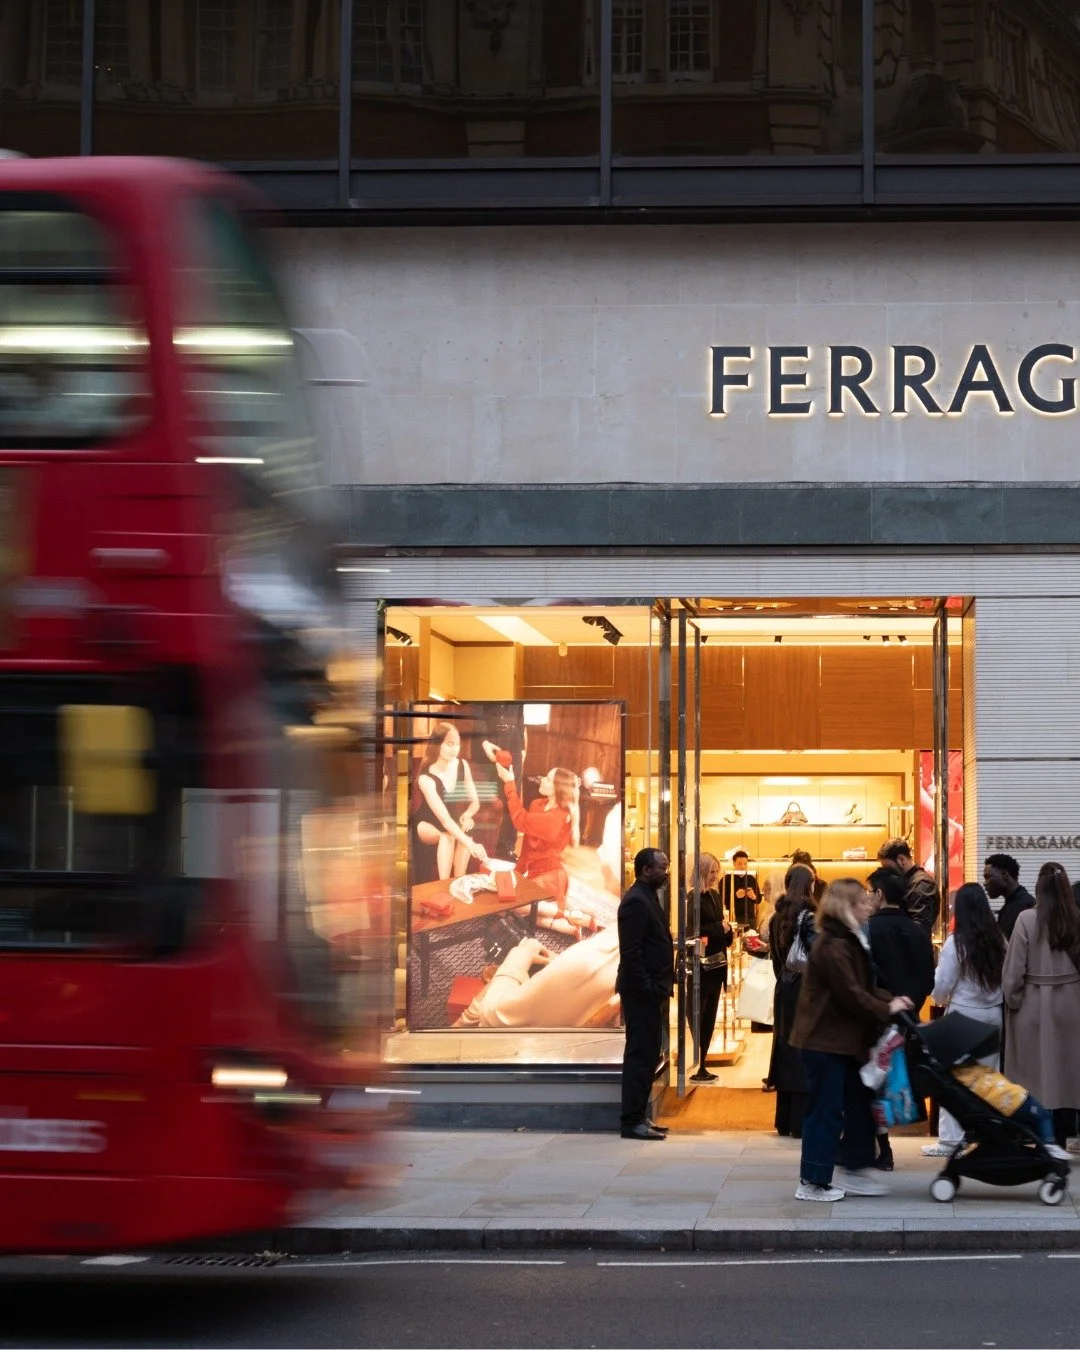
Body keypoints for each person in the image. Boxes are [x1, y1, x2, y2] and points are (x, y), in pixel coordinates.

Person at [789, 878, 913, 1202]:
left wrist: (891, 1000)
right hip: (824, 1041)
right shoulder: (834, 945)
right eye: (861, 901)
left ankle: (853, 1168)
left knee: (856, 1104)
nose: (869, 905)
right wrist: (888, 1006)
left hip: (838, 1040)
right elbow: (853, 994)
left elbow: (863, 987)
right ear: (846, 907)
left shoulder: (848, 940)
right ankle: (813, 1181)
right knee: (825, 1111)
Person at [922, 882, 1006, 1157]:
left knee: (953, 1081)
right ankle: (988, 1136)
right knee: (986, 1081)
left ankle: (950, 1141)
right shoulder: (999, 940)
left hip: (963, 1017)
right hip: (993, 1016)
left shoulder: (956, 943)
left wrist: (938, 999)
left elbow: (942, 986)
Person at [1002, 861, 1080, 1148]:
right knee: (1067, 1070)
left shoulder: (1026, 919)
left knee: (1034, 1072)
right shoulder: (1076, 919)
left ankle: (1039, 1133)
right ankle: (1062, 1134)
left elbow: (1012, 973)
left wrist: (1014, 1000)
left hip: (1033, 1002)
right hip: (1071, 1001)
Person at [866, 866, 935, 1170]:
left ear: (879, 895)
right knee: (892, 1079)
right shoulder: (918, 931)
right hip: (908, 1018)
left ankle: (879, 1148)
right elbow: (928, 979)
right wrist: (910, 1006)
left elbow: (866, 977)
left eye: (870, 892)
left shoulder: (869, 930)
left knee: (869, 1082)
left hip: (875, 1018)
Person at [491, 755, 591, 936]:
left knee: (512, 906)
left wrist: (509, 784)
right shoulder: (537, 804)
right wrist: (518, 873)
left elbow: (520, 820)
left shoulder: (558, 817)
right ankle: (563, 924)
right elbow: (528, 845)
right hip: (534, 872)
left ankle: (566, 914)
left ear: (556, 788)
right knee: (502, 906)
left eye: (547, 779)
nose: (541, 780)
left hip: (552, 876)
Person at [616, 848, 674, 1141]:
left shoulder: (647, 896)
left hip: (651, 990)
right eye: (663, 867)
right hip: (642, 992)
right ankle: (632, 1121)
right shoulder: (636, 901)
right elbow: (631, 952)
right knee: (640, 1054)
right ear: (647, 869)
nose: (667, 871)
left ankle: (639, 1117)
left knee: (649, 1053)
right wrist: (647, 987)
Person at [768, 863, 817, 1137]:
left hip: (784, 988)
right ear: (809, 885)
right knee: (805, 1051)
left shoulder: (778, 916)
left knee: (786, 1047)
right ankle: (800, 1120)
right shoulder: (809, 916)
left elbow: (777, 959)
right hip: (806, 992)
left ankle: (784, 1119)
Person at [408, 721, 488, 883]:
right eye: (450, 744)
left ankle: (459, 881)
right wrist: (472, 845)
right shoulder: (425, 778)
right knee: (448, 837)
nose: (455, 749)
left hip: (451, 820)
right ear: (438, 744)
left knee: (464, 834)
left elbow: (475, 802)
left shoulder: (462, 765)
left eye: (457, 744)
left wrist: (467, 815)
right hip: (425, 823)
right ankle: (443, 885)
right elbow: (444, 820)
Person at [945, 1061, 1071, 1162]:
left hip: (1002, 1104)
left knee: (1032, 1121)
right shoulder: (974, 1067)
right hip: (1015, 1101)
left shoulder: (957, 1078)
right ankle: (1049, 1144)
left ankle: (1041, 1148)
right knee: (1044, 1116)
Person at [688, 852, 734, 1083]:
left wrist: (726, 931)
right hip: (701, 966)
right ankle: (698, 1063)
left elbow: (721, 929)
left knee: (710, 1015)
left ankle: (702, 1063)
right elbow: (694, 931)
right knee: (699, 1012)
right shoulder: (692, 898)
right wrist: (721, 927)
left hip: (717, 964)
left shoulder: (715, 896)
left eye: (717, 871)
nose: (716, 876)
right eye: (712, 872)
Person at [876, 838, 939, 933]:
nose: (887, 872)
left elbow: (920, 928)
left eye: (888, 867)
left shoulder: (922, 884)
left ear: (901, 860)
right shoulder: (907, 881)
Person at [984, 853, 1035, 941]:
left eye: (988, 877)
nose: (985, 883)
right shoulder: (1009, 906)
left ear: (1004, 875)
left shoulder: (1027, 905)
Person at [722, 849, 761, 928]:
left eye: (745, 864)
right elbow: (722, 900)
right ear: (734, 864)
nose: (743, 866)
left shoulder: (751, 878)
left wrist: (754, 897)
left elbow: (759, 899)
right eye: (739, 864)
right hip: (733, 918)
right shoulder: (726, 878)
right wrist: (735, 896)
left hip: (750, 918)